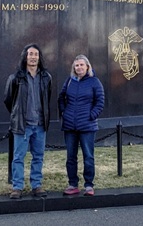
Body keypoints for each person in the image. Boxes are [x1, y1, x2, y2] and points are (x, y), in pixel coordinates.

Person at [3, 44, 52, 199]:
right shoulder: (15, 78)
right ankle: (17, 187)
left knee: (38, 156)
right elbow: (8, 100)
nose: (33, 57)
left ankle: (36, 185)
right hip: (22, 126)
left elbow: (47, 98)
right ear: (25, 56)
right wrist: (18, 114)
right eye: (30, 54)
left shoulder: (46, 78)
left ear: (39, 57)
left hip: (40, 125)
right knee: (18, 157)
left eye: (36, 54)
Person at [58, 54, 105, 197]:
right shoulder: (69, 81)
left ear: (87, 66)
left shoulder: (94, 82)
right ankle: (73, 184)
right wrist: (64, 113)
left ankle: (89, 185)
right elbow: (61, 97)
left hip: (88, 126)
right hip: (70, 126)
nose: (79, 67)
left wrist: (91, 115)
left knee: (88, 156)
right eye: (76, 65)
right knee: (71, 157)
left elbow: (100, 101)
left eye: (81, 65)